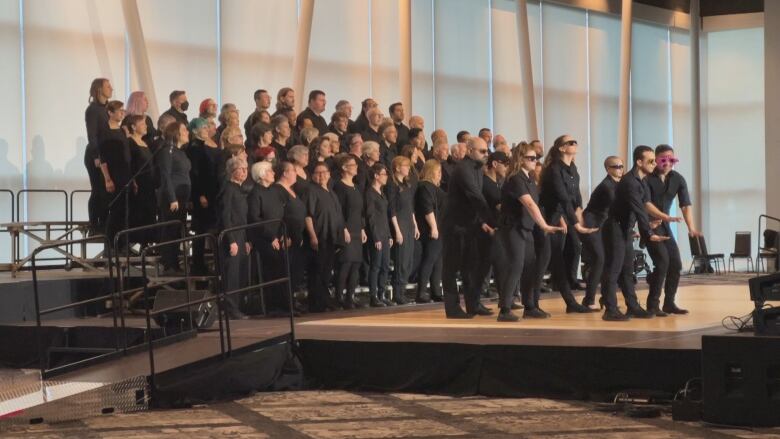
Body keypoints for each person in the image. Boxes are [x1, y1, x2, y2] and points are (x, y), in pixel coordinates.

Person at [493, 143, 563, 321]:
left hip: (526, 228)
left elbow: (535, 204)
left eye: (536, 158)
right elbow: (529, 204)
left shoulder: (529, 178)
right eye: (531, 158)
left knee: (530, 267)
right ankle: (505, 309)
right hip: (512, 228)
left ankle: (530, 306)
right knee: (516, 265)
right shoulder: (515, 178)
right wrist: (544, 226)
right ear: (520, 159)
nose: (535, 161)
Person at [601, 146, 671, 321]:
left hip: (624, 229)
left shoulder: (642, 181)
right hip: (614, 228)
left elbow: (645, 204)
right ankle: (610, 310)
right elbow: (639, 209)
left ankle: (632, 306)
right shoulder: (629, 182)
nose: (655, 164)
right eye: (650, 161)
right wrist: (648, 232)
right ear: (639, 162)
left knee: (627, 269)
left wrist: (658, 219)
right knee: (614, 270)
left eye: (655, 160)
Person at [536, 135, 594, 314]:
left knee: (570, 251)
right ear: (561, 148)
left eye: (576, 141)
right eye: (570, 142)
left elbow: (575, 197)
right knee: (551, 260)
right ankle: (532, 303)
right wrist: (576, 224)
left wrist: (579, 217)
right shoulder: (554, 169)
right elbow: (562, 197)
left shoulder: (572, 168)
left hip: (562, 216)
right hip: (548, 219)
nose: (575, 144)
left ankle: (570, 299)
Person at [441, 137, 494, 318]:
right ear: (470, 151)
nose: (486, 154)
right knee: (451, 266)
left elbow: (477, 198)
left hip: (469, 225)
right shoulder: (463, 169)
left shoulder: (477, 168)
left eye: (487, 151)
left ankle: (473, 304)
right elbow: (475, 197)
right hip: (454, 225)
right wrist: (492, 220)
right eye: (482, 151)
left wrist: (482, 222)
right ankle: (452, 308)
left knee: (471, 267)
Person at [645, 144, 699, 315]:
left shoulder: (677, 178)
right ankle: (653, 305)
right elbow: (645, 204)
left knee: (675, 264)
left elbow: (685, 205)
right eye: (663, 159)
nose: (667, 163)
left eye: (671, 159)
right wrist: (660, 218)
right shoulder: (646, 178)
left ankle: (669, 303)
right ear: (656, 160)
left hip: (665, 226)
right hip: (647, 224)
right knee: (662, 263)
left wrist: (692, 228)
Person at [579, 156, 623, 309]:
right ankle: (589, 299)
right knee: (599, 259)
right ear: (608, 169)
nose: (620, 169)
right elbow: (616, 204)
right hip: (593, 223)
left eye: (621, 166)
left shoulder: (619, 184)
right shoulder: (606, 185)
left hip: (605, 224)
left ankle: (605, 298)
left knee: (608, 260)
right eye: (616, 166)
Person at [304, 161, 346, 312]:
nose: (321, 175)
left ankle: (324, 301)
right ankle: (316, 304)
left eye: (324, 172)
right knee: (317, 272)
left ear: (329, 175)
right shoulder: (311, 190)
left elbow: (338, 215)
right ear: (313, 175)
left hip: (331, 238)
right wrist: (313, 236)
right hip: (319, 237)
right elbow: (308, 216)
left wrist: (343, 232)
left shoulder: (331, 192)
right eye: (318, 173)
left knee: (326, 272)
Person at [247, 161, 287, 315]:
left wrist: (282, 235)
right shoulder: (255, 193)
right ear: (262, 175)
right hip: (264, 239)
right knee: (272, 271)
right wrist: (271, 238)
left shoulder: (274, 191)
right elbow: (255, 219)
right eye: (270, 171)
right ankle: (273, 307)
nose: (273, 173)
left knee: (282, 270)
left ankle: (284, 305)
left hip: (278, 236)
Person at [155, 121, 191, 275]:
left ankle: (175, 263)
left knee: (177, 231)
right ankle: (169, 264)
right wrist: (172, 198)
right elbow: (166, 176)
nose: (188, 132)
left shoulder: (180, 152)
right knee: (170, 230)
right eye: (184, 130)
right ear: (176, 133)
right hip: (172, 198)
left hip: (181, 198)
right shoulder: (167, 151)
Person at [473, 151, 509, 300]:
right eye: (505, 164)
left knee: (499, 266)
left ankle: (504, 298)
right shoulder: (485, 183)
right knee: (484, 266)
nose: (507, 168)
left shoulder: (496, 184)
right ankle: (480, 297)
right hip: (487, 231)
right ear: (495, 164)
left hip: (496, 229)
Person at [188, 118, 221, 273]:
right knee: (201, 229)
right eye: (204, 127)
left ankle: (205, 263)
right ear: (195, 131)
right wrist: (200, 194)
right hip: (202, 194)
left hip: (209, 192)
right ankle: (198, 264)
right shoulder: (195, 148)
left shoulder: (203, 147)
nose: (208, 129)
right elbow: (195, 174)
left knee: (206, 228)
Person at [332, 154, 367, 309]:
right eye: (353, 165)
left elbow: (360, 211)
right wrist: (343, 229)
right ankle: (339, 296)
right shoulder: (339, 186)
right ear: (344, 168)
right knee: (345, 264)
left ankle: (350, 297)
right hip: (345, 229)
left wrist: (362, 228)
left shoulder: (356, 186)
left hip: (356, 229)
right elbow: (338, 210)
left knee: (355, 264)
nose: (356, 167)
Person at [218, 157, 251, 319]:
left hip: (241, 233)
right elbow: (226, 216)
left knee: (241, 273)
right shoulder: (229, 189)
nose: (245, 172)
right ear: (232, 171)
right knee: (232, 275)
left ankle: (237, 306)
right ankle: (231, 309)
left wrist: (245, 240)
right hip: (232, 235)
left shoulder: (239, 188)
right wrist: (231, 240)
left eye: (246, 168)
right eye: (241, 169)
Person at [386, 156, 419, 305]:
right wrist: (397, 231)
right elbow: (392, 209)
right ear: (398, 168)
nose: (408, 169)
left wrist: (415, 225)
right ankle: (398, 293)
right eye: (406, 166)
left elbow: (410, 207)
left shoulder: (406, 184)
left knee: (409, 260)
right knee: (401, 260)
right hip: (399, 224)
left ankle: (403, 291)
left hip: (408, 224)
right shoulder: (392, 185)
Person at [99, 100, 131, 245]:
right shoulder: (104, 131)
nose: (122, 113)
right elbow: (103, 158)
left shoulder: (122, 130)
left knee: (125, 211)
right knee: (115, 211)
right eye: (119, 110)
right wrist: (107, 179)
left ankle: (122, 244)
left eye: (123, 110)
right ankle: (110, 246)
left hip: (125, 173)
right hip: (113, 173)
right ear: (110, 113)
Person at [276, 161, 308, 304]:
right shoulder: (278, 190)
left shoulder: (292, 189)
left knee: (296, 270)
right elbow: (279, 214)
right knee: (287, 270)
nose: (296, 174)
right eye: (293, 171)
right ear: (284, 173)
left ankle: (293, 299)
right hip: (287, 236)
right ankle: (286, 302)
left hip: (297, 236)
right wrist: (285, 234)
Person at [415, 160, 446, 303]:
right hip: (431, 229)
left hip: (439, 228)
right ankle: (421, 292)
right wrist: (433, 227)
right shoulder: (425, 187)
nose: (440, 175)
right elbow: (428, 208)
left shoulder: (434, 187)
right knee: (429, 259)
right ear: (430, 171)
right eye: (437, 171)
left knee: (438, 261)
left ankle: (436, 291)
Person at [84, 78, 112, 235]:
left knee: (107, 190)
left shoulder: (108, 108)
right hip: (96, 154)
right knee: (98, 188)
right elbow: (92, 135)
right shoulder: (93, 110)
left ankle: (105, 222)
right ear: (99, 89)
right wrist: (96, 156)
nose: (111, 89)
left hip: (107, 154)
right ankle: (94, 225)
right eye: (108, 86)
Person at [125, 115, 156, 246]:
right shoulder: (130, 142)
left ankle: (147, 244)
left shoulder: (144, 142)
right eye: (142, 124)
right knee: (139, 214)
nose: (146, 126)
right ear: (133, 126)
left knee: (150, 214)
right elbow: (129, 164)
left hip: (149, 184)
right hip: (139, 184)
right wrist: (133, 181)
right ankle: (136, 243)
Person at [365, 163, 393, 307]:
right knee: (375, 266)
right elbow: (371, 217)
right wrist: (376, 237)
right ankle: (373, 296)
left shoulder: (382, 193)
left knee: (385, 266)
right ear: (376, 176)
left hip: (384, 233)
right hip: (376, 235)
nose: (386, 177)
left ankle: (382, 294)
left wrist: (388, 235)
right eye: (384, 174)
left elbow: (384, 217)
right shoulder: (370, 193)